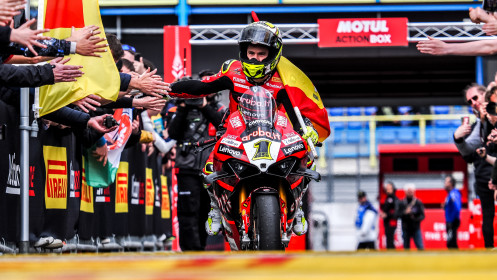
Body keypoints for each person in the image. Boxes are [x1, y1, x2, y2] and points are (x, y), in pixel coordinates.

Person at [167, 20, 330, 237]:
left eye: (261, 53)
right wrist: (167, 89)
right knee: (209, 163)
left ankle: (297, 207)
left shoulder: (284, 81)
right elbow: (203, 86)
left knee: (306, 156)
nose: (255, 58)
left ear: (273, 54)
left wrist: (307, 130)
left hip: (275, 133)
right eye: (251, 52)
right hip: (236, 131)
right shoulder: (233, 71)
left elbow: (296, 116)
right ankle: (216, 208)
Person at [168, 72, 226, 251]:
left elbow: (224, 127)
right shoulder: (181, 108)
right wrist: (184, 107)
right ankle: (190, 250)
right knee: (187, 210)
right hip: (187, 167)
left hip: (212, 168)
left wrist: (204, 106)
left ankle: (202, 247)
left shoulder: (219, 109)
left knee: (206, 211)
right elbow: (173, 134)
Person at [454, 84, 495, 248]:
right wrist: (457, 138)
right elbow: (469, 155)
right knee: (487, 215)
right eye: (469, 101)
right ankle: (490, 249)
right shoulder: (477, 124)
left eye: (475, 98)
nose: (473, 103)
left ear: (485, 95)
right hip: (484, 176)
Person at [399, 183, 425, 250]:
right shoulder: (402, 202)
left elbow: (422, 216)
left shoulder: (418, 202)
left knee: (420, 247)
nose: (410, 193)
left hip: (415, 228)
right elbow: (397, 215)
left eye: (411, 191)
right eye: (408, 191)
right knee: (406, 247)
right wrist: (405, 213)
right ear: (405, 192)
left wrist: (415, 218)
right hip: (405, 228)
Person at [442, 175, 462, 249]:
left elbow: (457, 207)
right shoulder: (450, 194)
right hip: (450, 221)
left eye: (446, 182)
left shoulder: (454, 193)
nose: (444, 183)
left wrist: (453, 220)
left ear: (451, 183)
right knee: (451, 241)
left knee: (451, 242)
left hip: (452, 221)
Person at [380, 181, 399, 249]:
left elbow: (396, 211)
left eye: (389, 188)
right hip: (387, 222)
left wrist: (386, 215)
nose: (387, 190)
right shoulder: (387, 198)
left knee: (390, 239)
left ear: (393, 189)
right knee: (388, 239)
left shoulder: (394, 199)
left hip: (392, 222)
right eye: (387, 188)